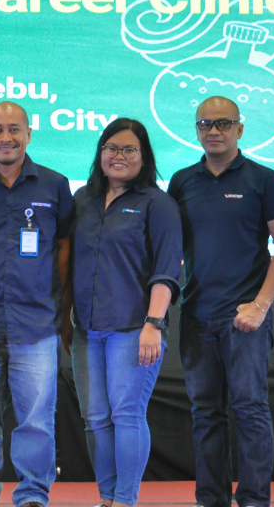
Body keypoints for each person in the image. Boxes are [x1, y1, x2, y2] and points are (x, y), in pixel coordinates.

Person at [167, 96, 274, 507]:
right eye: (205, 124)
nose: (214, 131)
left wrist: (260, 305)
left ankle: (254, 501)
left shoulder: (264, 180)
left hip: (245, 318)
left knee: (250, 409)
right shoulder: (181, 181)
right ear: (197, 130)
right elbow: (169, 248)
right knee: (205, 413)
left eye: (223, 123)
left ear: (240, 129)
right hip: (196, 316)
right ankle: (211, 500)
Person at [0, 102, 73, 507]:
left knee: (36, 421)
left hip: (37, 323)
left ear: (28, 134)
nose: (5, 138)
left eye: (13, 129)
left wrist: (59, 308)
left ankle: (33, 494)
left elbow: (63, 250)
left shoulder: (55, 185)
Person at [70, 118, 182, 507]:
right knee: (95, 419)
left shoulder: (158, 203)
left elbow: (167, 269)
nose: (119, 156)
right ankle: (107, 499)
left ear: (144, 156)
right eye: (111, 148)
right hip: (86, 331)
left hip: (134, 329)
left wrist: (153, 324)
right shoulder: (82, 199)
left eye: (129, 149)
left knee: (127, 415)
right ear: (100, 153)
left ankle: (125, 500)